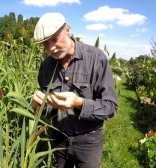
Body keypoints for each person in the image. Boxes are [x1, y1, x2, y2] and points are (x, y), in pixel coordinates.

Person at [31, 13, 118, 168]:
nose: (51, 47)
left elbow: (110, 106)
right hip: (59, 139)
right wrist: (39, 105)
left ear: (67, 30)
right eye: (45, 43)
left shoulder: (96, 59)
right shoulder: (46, 66)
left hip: (88, 140)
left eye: (54, 39)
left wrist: (78, 102)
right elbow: (48, 107)